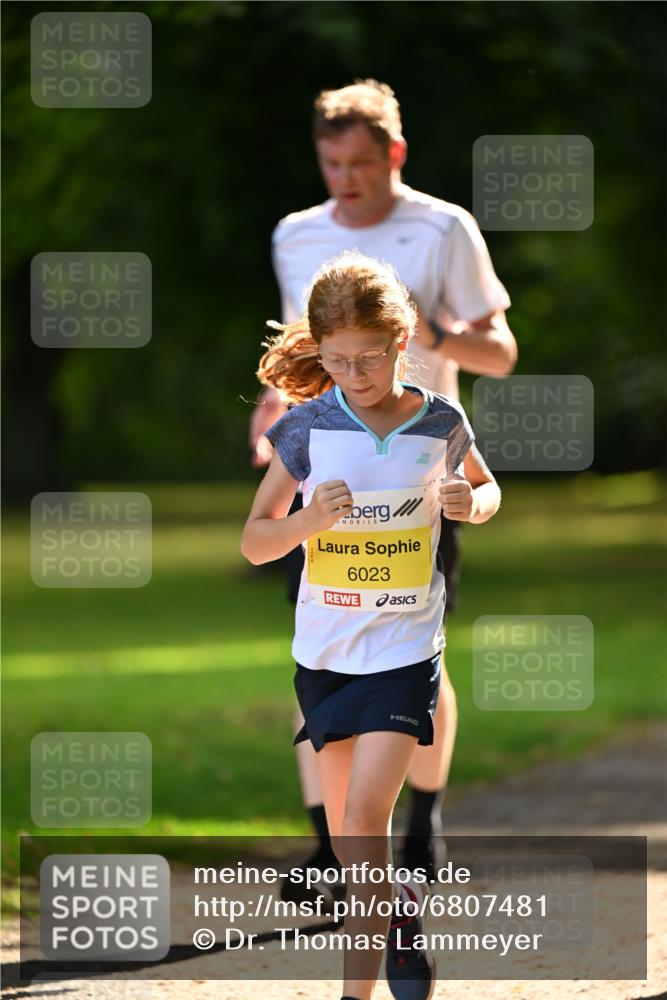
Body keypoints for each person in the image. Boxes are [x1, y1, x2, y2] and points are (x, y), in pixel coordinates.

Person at [249, 78, 516, 887]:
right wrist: (273, 411)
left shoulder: (443, 228)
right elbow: (305, 353)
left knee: (415, 646)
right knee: (323, 635)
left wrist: (435, 335)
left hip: (420, 471)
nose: (345, 179)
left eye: (360, 162)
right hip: (327, 465)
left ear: (393, 154)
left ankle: (422, 827)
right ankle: (332, 848)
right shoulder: (296, 236)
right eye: (331, 163)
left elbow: (499, 352)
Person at [242, 252, 501, 1000]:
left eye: (368, 357)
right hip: (325, 655)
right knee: (359, 847)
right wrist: (304, 522)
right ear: (318, 354)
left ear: (402, 340)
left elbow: (486, 490)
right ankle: (397, 917)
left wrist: (468, 504)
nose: (353, 375)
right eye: (336, 360)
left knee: (362, 818)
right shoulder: (305, 429)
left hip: (403, 650)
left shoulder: (438, 421)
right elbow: (254, 538)